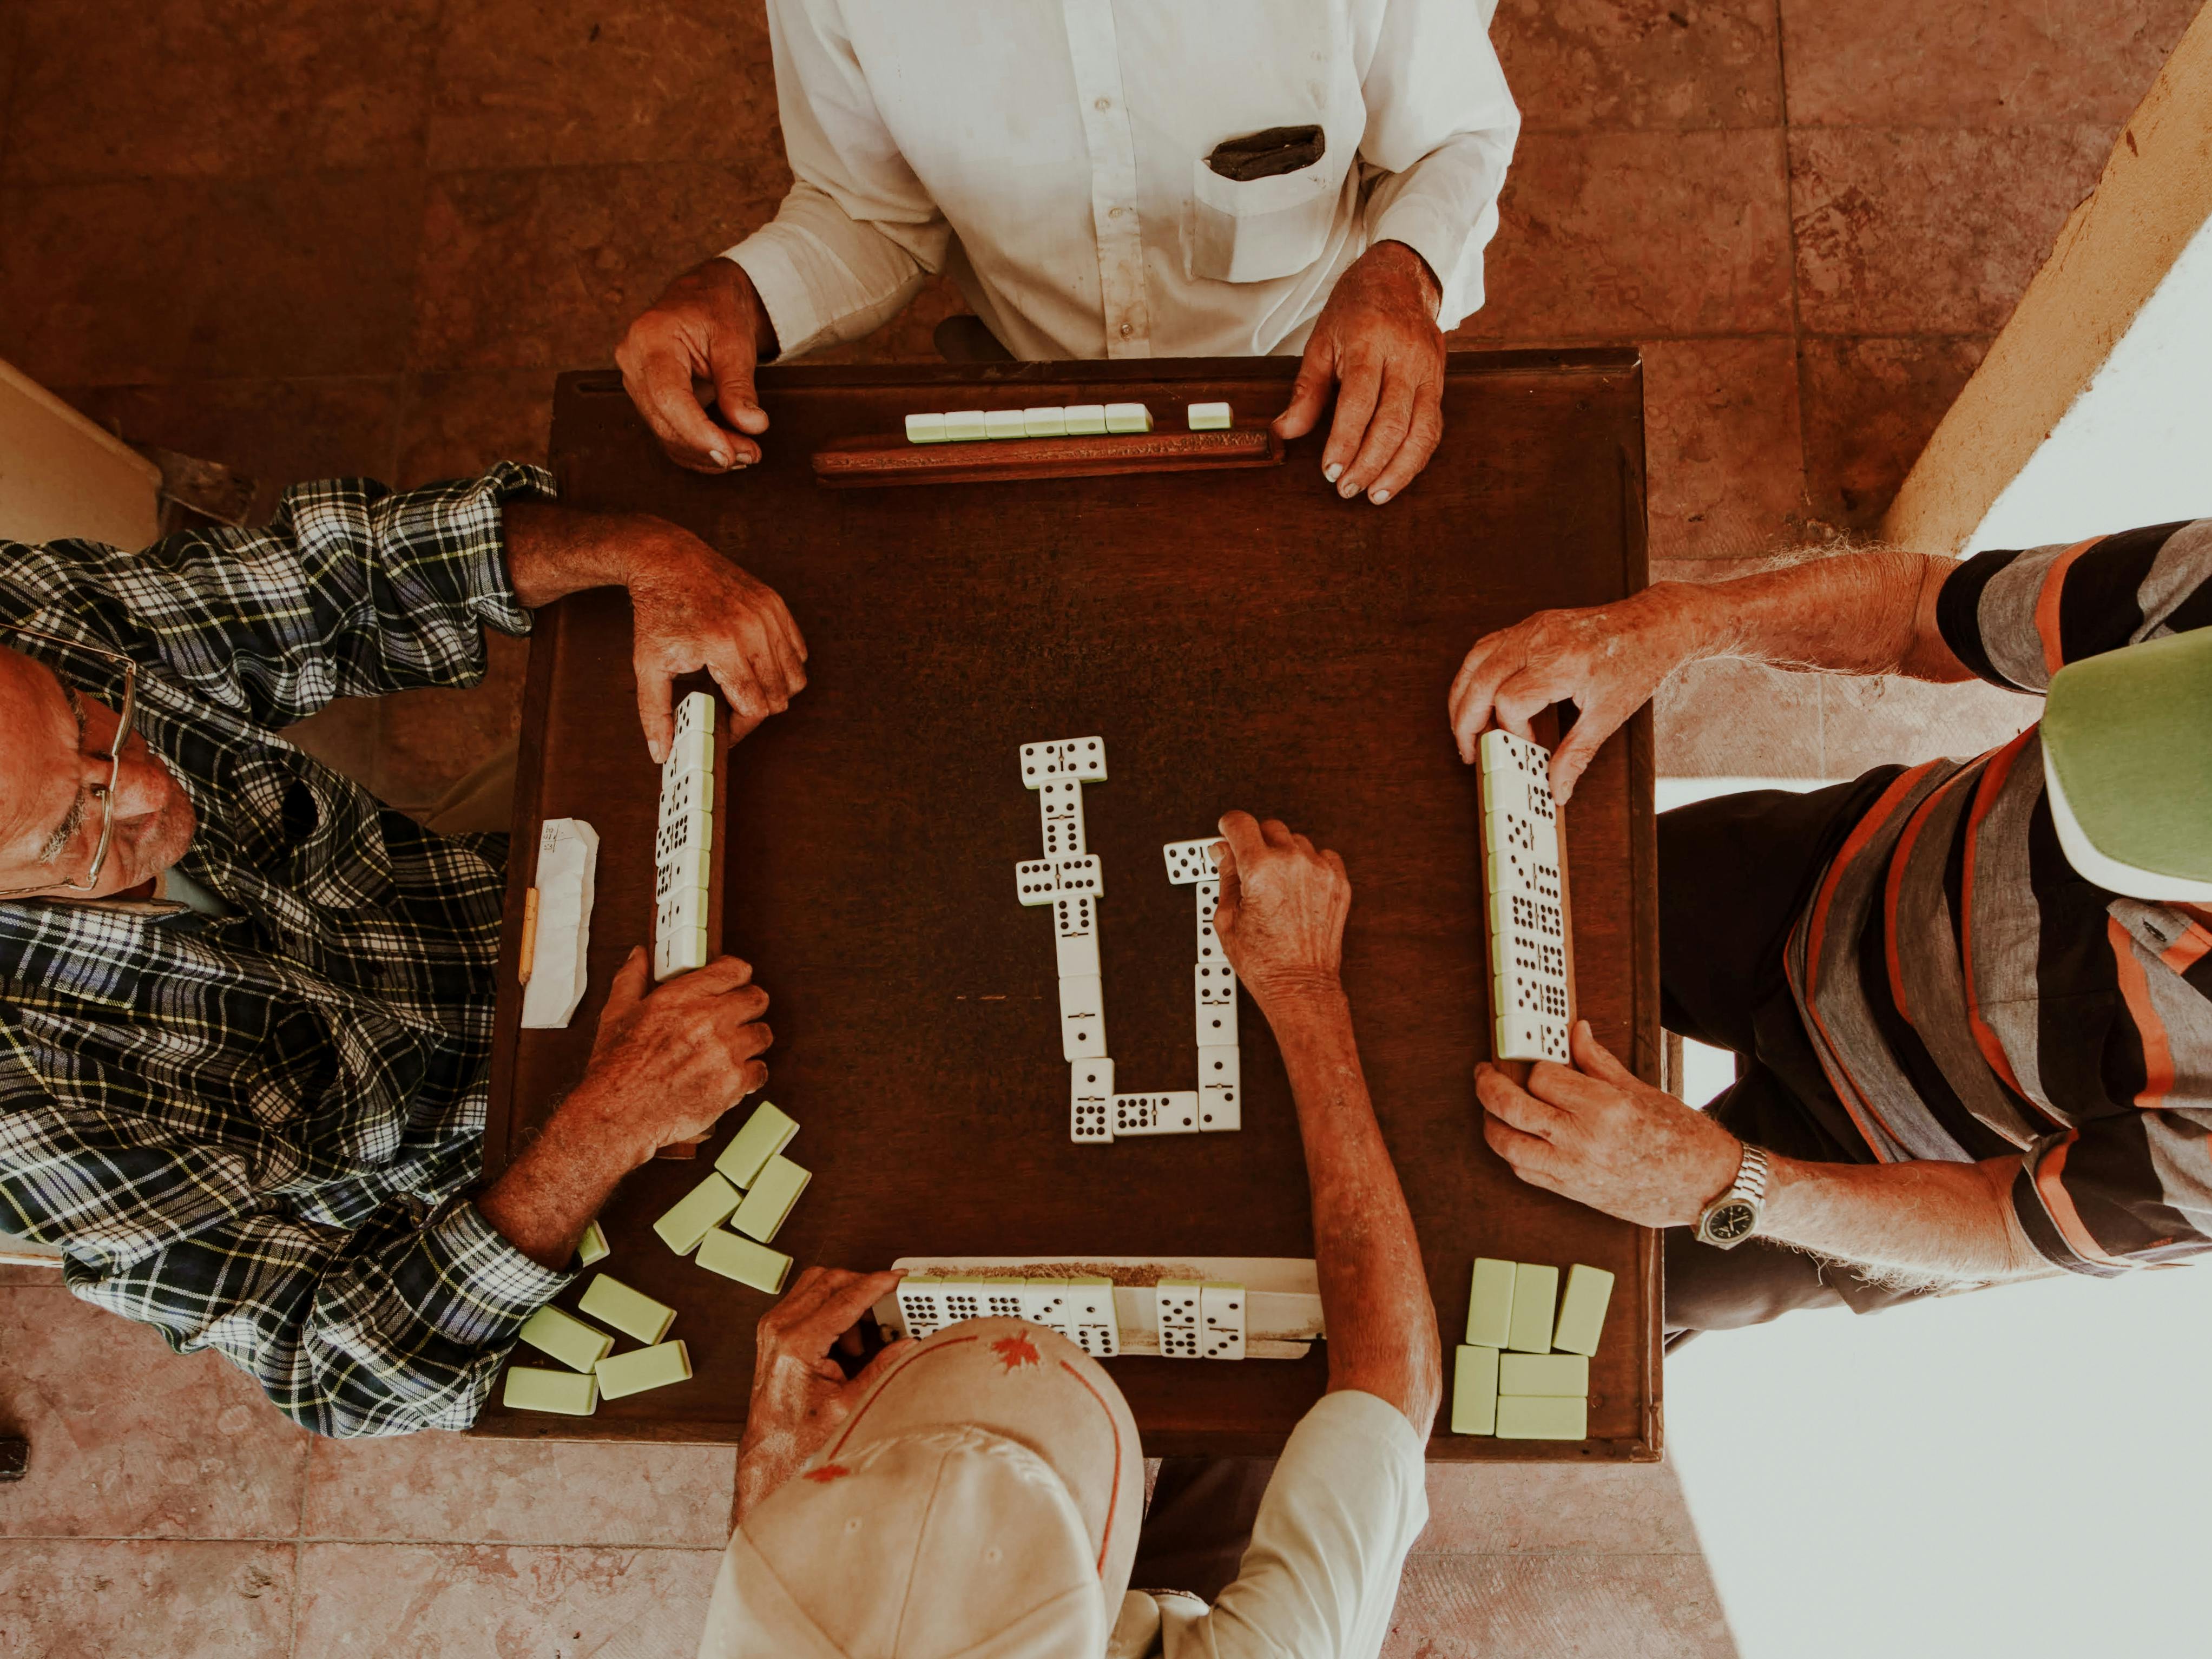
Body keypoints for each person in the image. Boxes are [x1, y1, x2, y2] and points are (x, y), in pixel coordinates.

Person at [0, 465, 808, 1435]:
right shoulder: (21, 1117)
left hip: (477, 895)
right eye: (67, 829)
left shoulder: (26, 619)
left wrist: (643, 553)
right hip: (526, 1187)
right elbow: (333, 1363)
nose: (141, 786)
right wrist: (610, 1121)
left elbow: (336, 577)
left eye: (90, 716)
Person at [1445, 520, 2212, 1340]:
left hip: (1886, 1163)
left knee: (1538, 1303)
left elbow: (2005, 1224)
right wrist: (1679, 621)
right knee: (1457, 905)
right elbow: (1926, 609)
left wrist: (1725, 1183)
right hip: (1833, 874)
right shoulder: (2200, 592)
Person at [701, 811, 1440, 1657]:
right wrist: (1307, 989)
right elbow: (1388, 1390)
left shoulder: (779, 1629)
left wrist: (774, 1496)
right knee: (1284, 1417)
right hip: (1176, 1624)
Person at [617, 1, 1519, 508]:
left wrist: (1400, 272)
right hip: (1031, 424)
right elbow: (876, 212)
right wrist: (737, 291)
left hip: (1308, 401)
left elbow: (1454, 137)